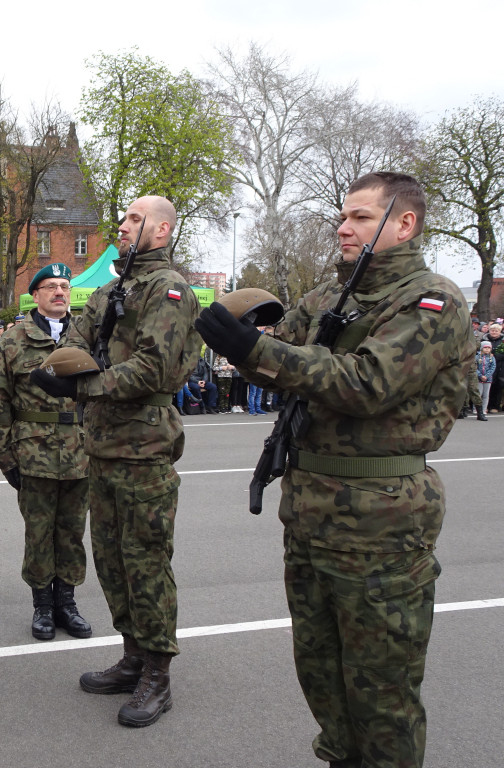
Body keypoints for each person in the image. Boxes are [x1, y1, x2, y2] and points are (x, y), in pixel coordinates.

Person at [195, 172, 472, 768]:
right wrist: (241, 340)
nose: (345, 228)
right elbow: (277, 361)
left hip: (383, 521)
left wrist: (257, 350)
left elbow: (368, 383)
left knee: (382, 693)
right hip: (312, 512)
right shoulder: (328, 297)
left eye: (361, 218)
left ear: (404, 224)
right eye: (342, 218)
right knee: (320, 673)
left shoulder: (434, 301)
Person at [31, 195, 201, 728]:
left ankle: (158, 672)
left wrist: (86, 385)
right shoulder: (109, 290)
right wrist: (54, 371)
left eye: (134, 220)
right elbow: (76, 346)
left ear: (161, 230)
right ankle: (132, 655)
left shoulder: (168, 289)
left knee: (146, 560)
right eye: (123, 218)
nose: (123, 227)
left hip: (144, 446)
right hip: (100, 445)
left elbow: (155, 368)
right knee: (110, 560)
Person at [0, 264, 91, 641]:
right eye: (51, 287)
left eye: (65, 286)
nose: (60, 292)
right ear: (36, 294)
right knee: (39, 533)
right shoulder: (14, 339)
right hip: (34, 454)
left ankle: (68, 603)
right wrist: (5, 459)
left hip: (82, 453)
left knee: (72, 532)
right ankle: (42, 608)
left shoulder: (86, 335)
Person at [476, 340, 495, 420]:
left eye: (488, 348)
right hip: (479, 378)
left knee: (486, 395)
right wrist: (480, 375)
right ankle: (477, 409)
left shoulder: (492, 357)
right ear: (481, 348)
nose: (487, 349)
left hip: (488, 379)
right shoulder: (477, 357)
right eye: (485, 347)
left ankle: (484, 409)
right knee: (478, 394)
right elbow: (475, 367)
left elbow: (493, 367)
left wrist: (487, 376)